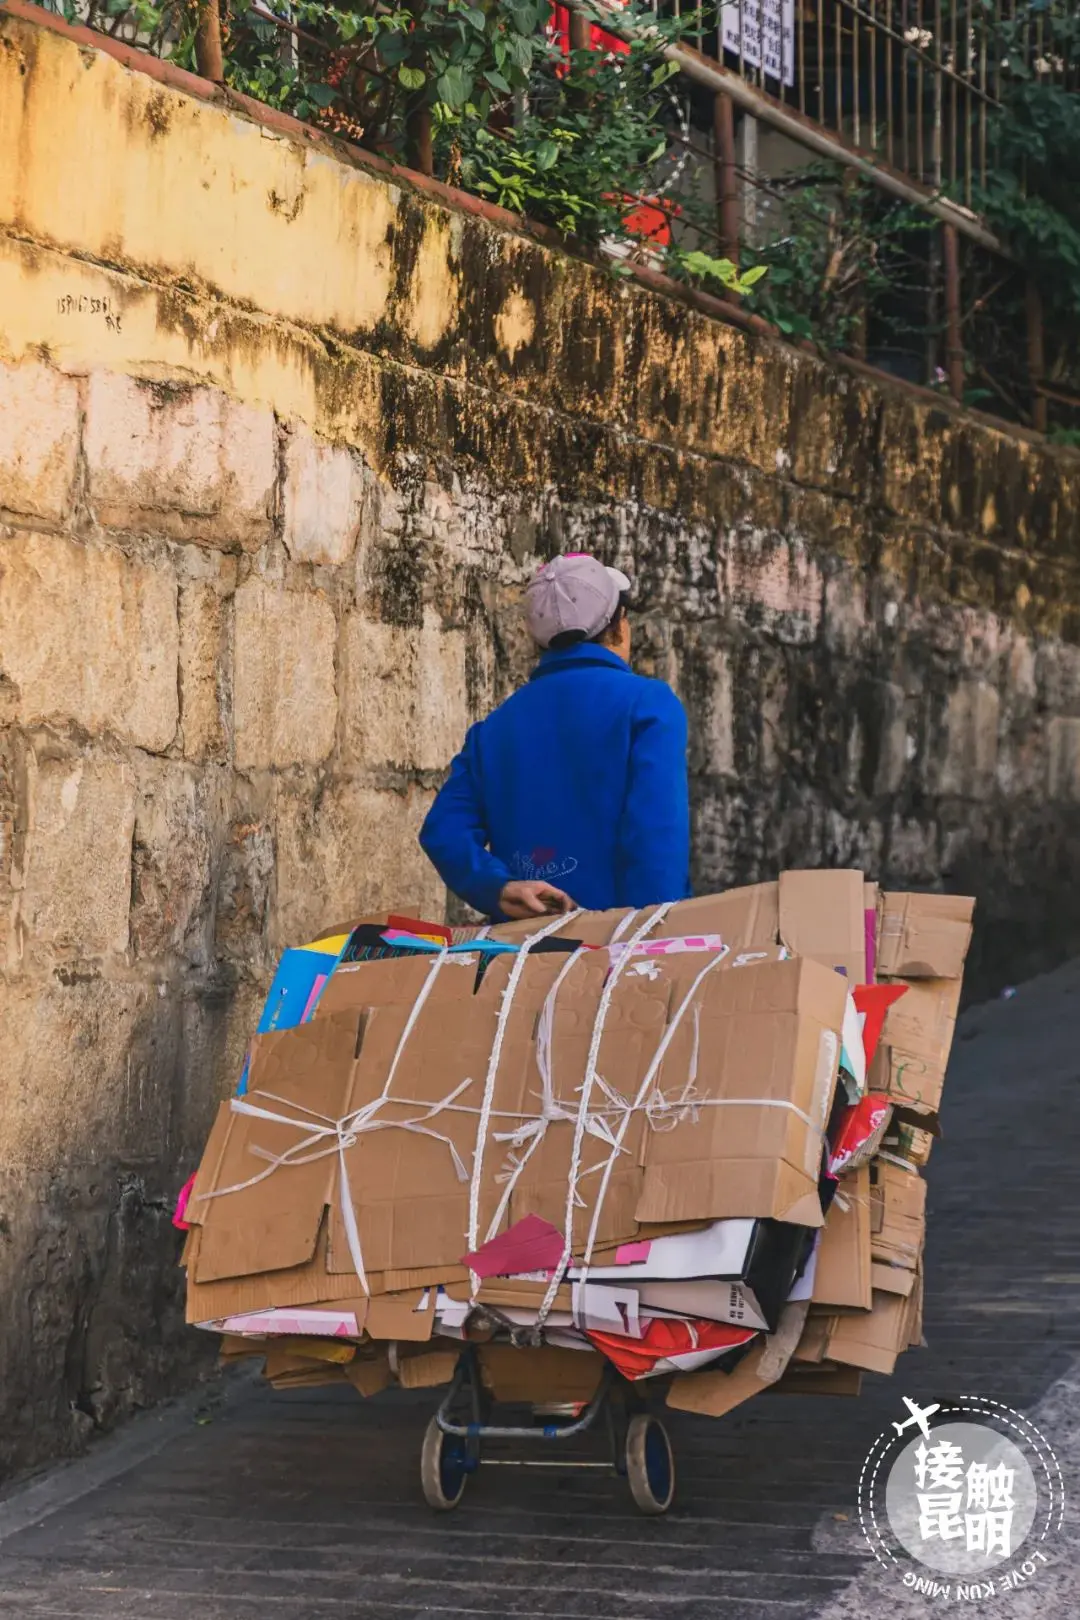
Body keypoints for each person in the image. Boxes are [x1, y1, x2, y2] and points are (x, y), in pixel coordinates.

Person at [419, 553, 690, 922]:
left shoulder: (496, 728)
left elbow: (443, 833)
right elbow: (656, 847)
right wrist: (651, 947)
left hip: (522, 958)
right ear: (618, 627)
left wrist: (498, 888)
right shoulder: (648, 705)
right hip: (616, 955)